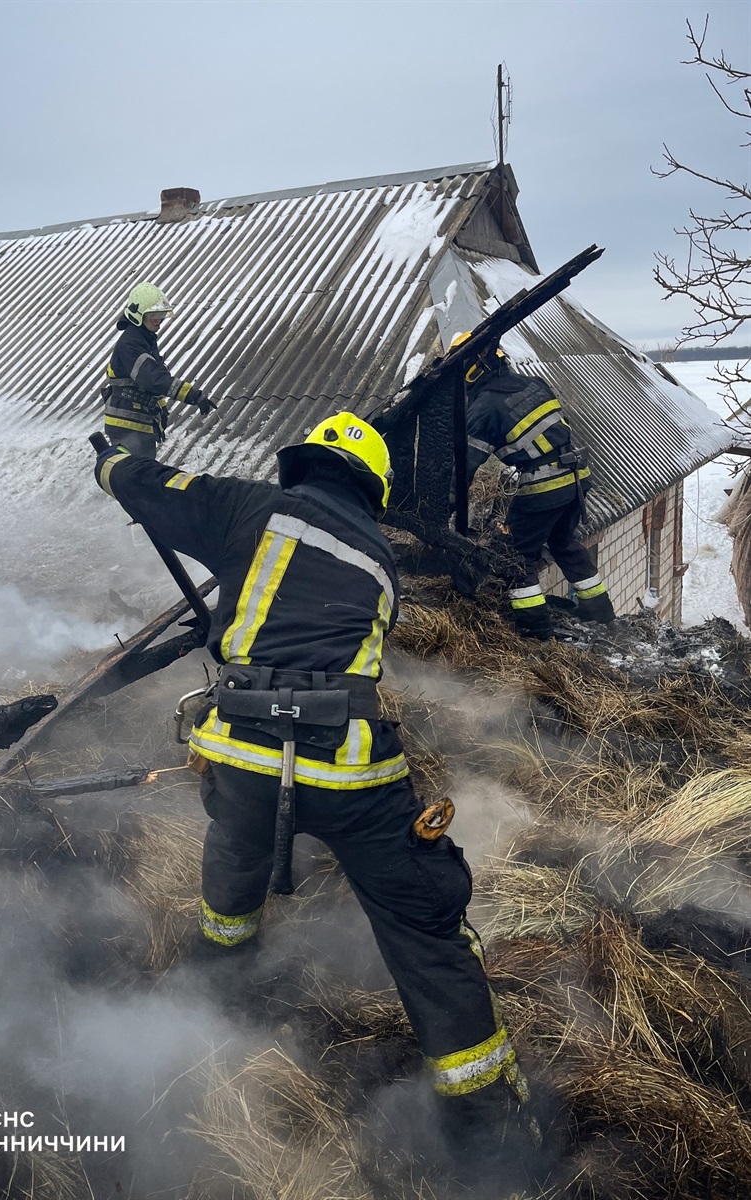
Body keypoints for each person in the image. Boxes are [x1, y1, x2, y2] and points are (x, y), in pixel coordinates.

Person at [93, 412, 542, 1192]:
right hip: (350, 769)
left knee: (234, 859)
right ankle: (488, 1126)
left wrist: (112, 461)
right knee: (422, 919)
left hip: (240, 753)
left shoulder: (242, 506)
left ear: (303, 466)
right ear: (372, 489)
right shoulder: (378, 559)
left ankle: (216, 992)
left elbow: (146, 484)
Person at [450, 332, 616, 640]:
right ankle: (601, 614)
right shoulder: (534, 384)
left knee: (515, 553)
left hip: (544, 485)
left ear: (471, 371)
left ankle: (535, 628)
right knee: (563, 543)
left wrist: (446, 504)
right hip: (577, 476)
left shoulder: (484, 407)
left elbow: (464, 468)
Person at [101, 281, 216, 458]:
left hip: (137, 423)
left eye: (161, 314)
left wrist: (161, 409)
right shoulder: (131, 343)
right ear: (137, 314)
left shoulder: (143, 338)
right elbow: (153, 378)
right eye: (153, 315)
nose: (159, 319)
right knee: (138, 473)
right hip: (127, 425)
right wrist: (192, 395)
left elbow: (149, 385)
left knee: (142, 471)